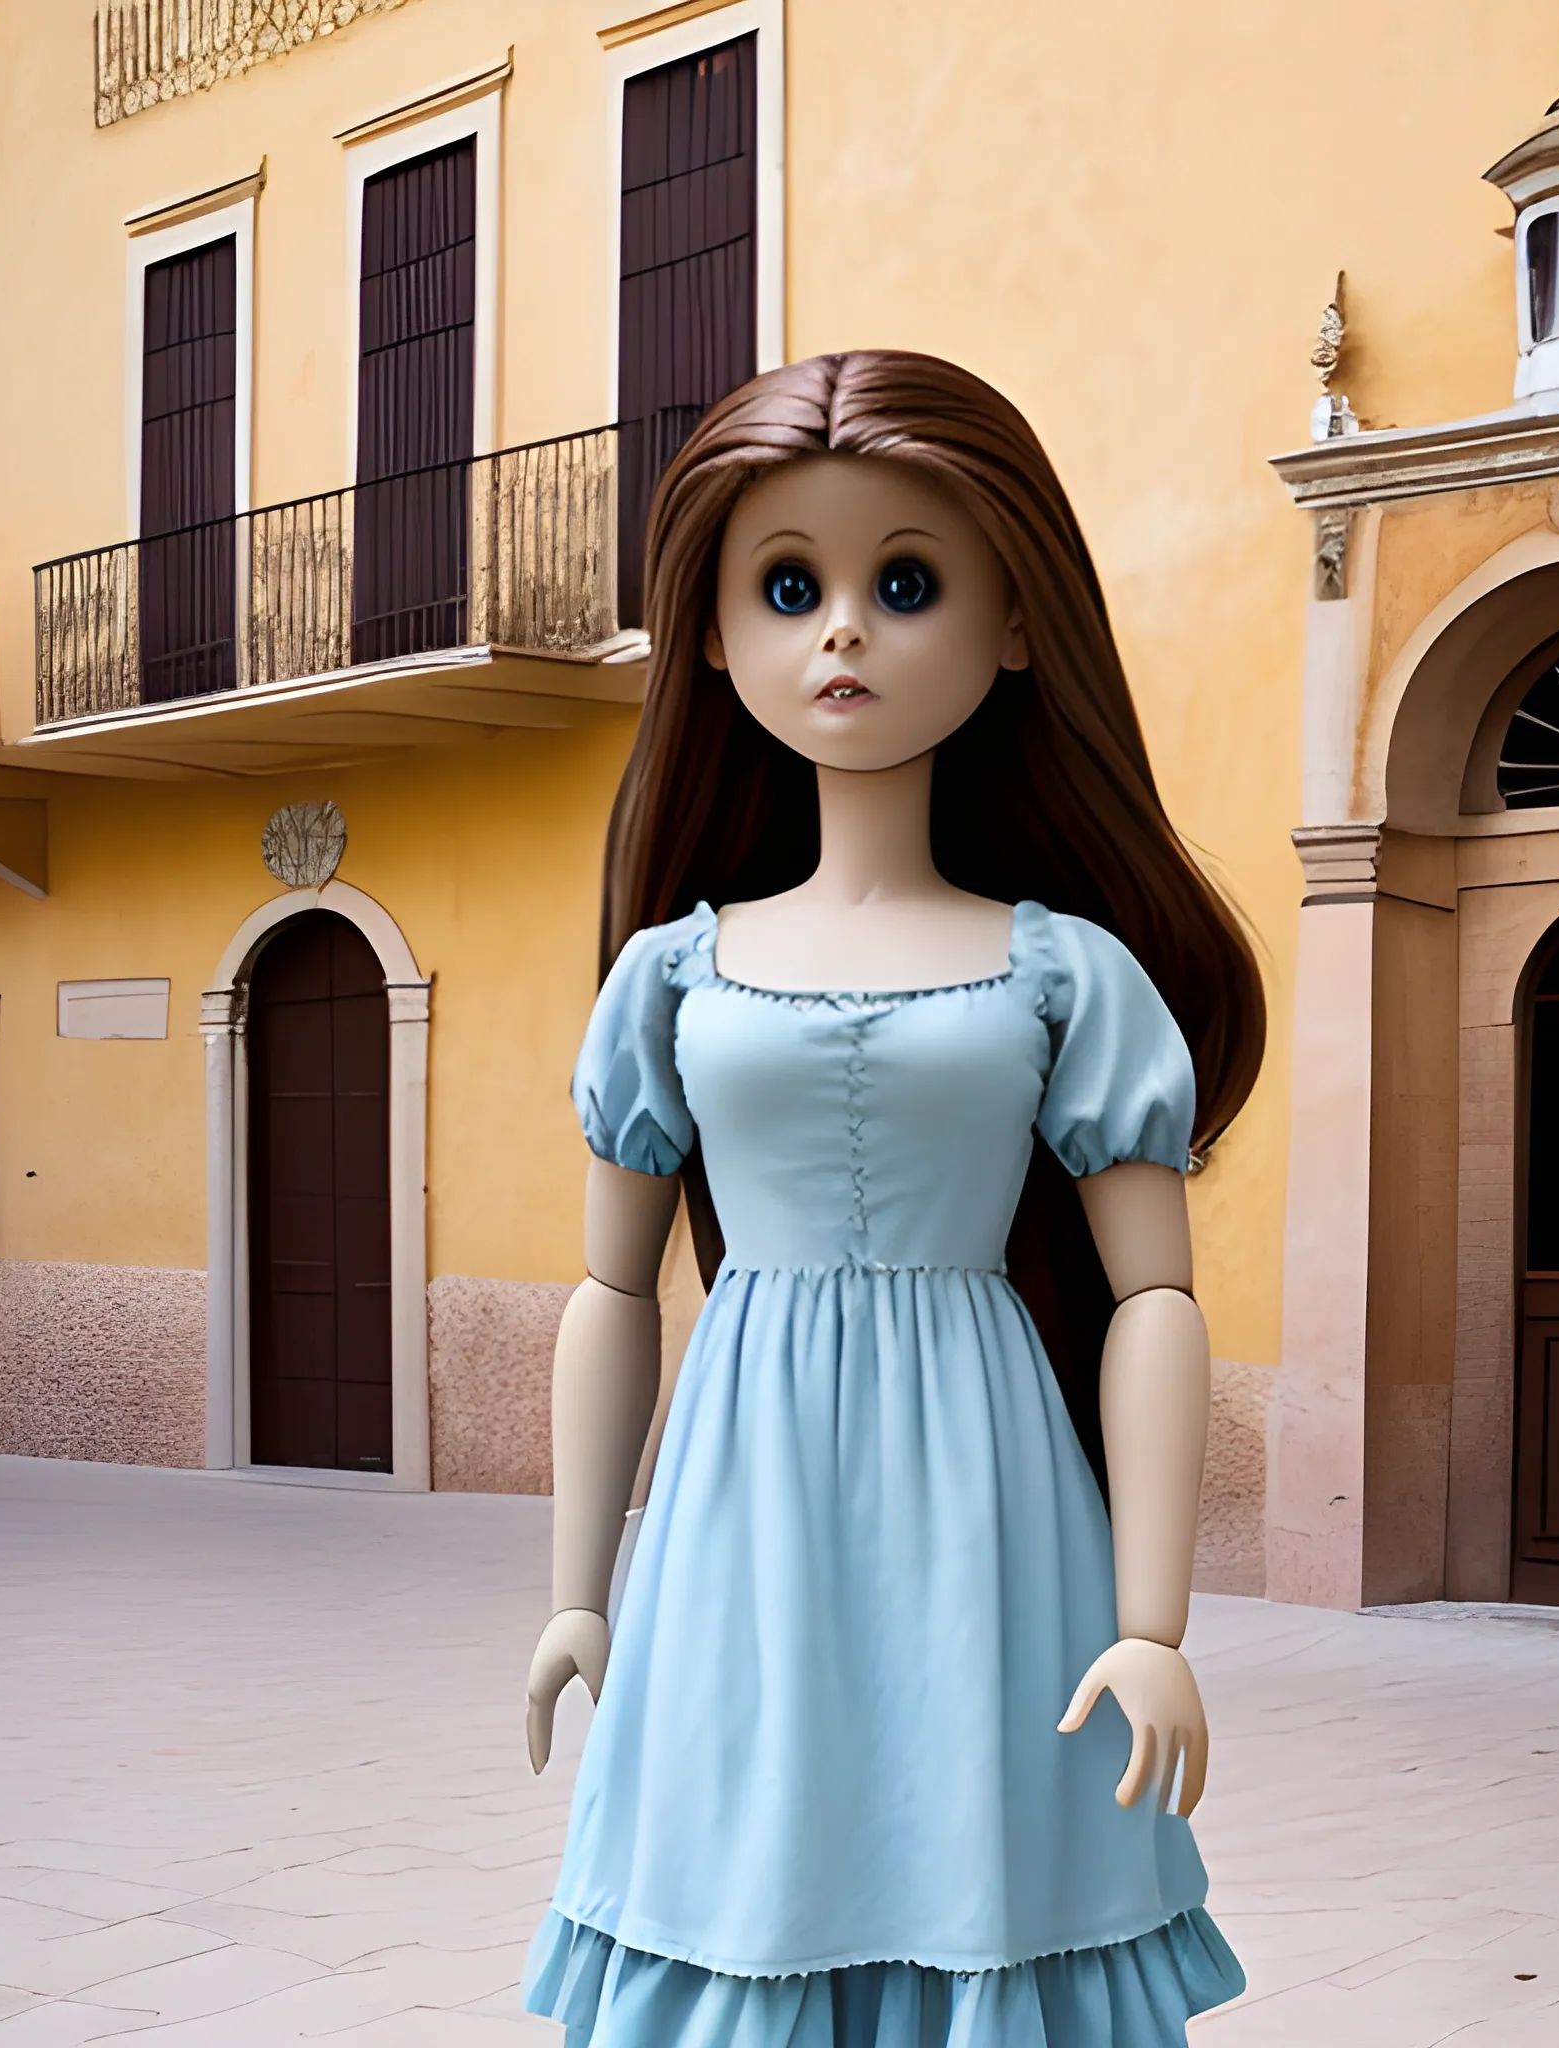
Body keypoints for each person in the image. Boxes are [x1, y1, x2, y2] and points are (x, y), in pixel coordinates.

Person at [522, 350, 1262, 2045]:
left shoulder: (1065, 972)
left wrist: (1155, 1623)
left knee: (976, 1844)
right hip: (737, 1489)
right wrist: (580, 1589)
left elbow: (1155, 1300)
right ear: (713, 632)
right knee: (749, 1849)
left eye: (903, 582)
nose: (842, 629)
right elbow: (612, 1293)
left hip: (990, 1482)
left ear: (1016, 626)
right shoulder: (668, 977)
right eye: (792, 585)